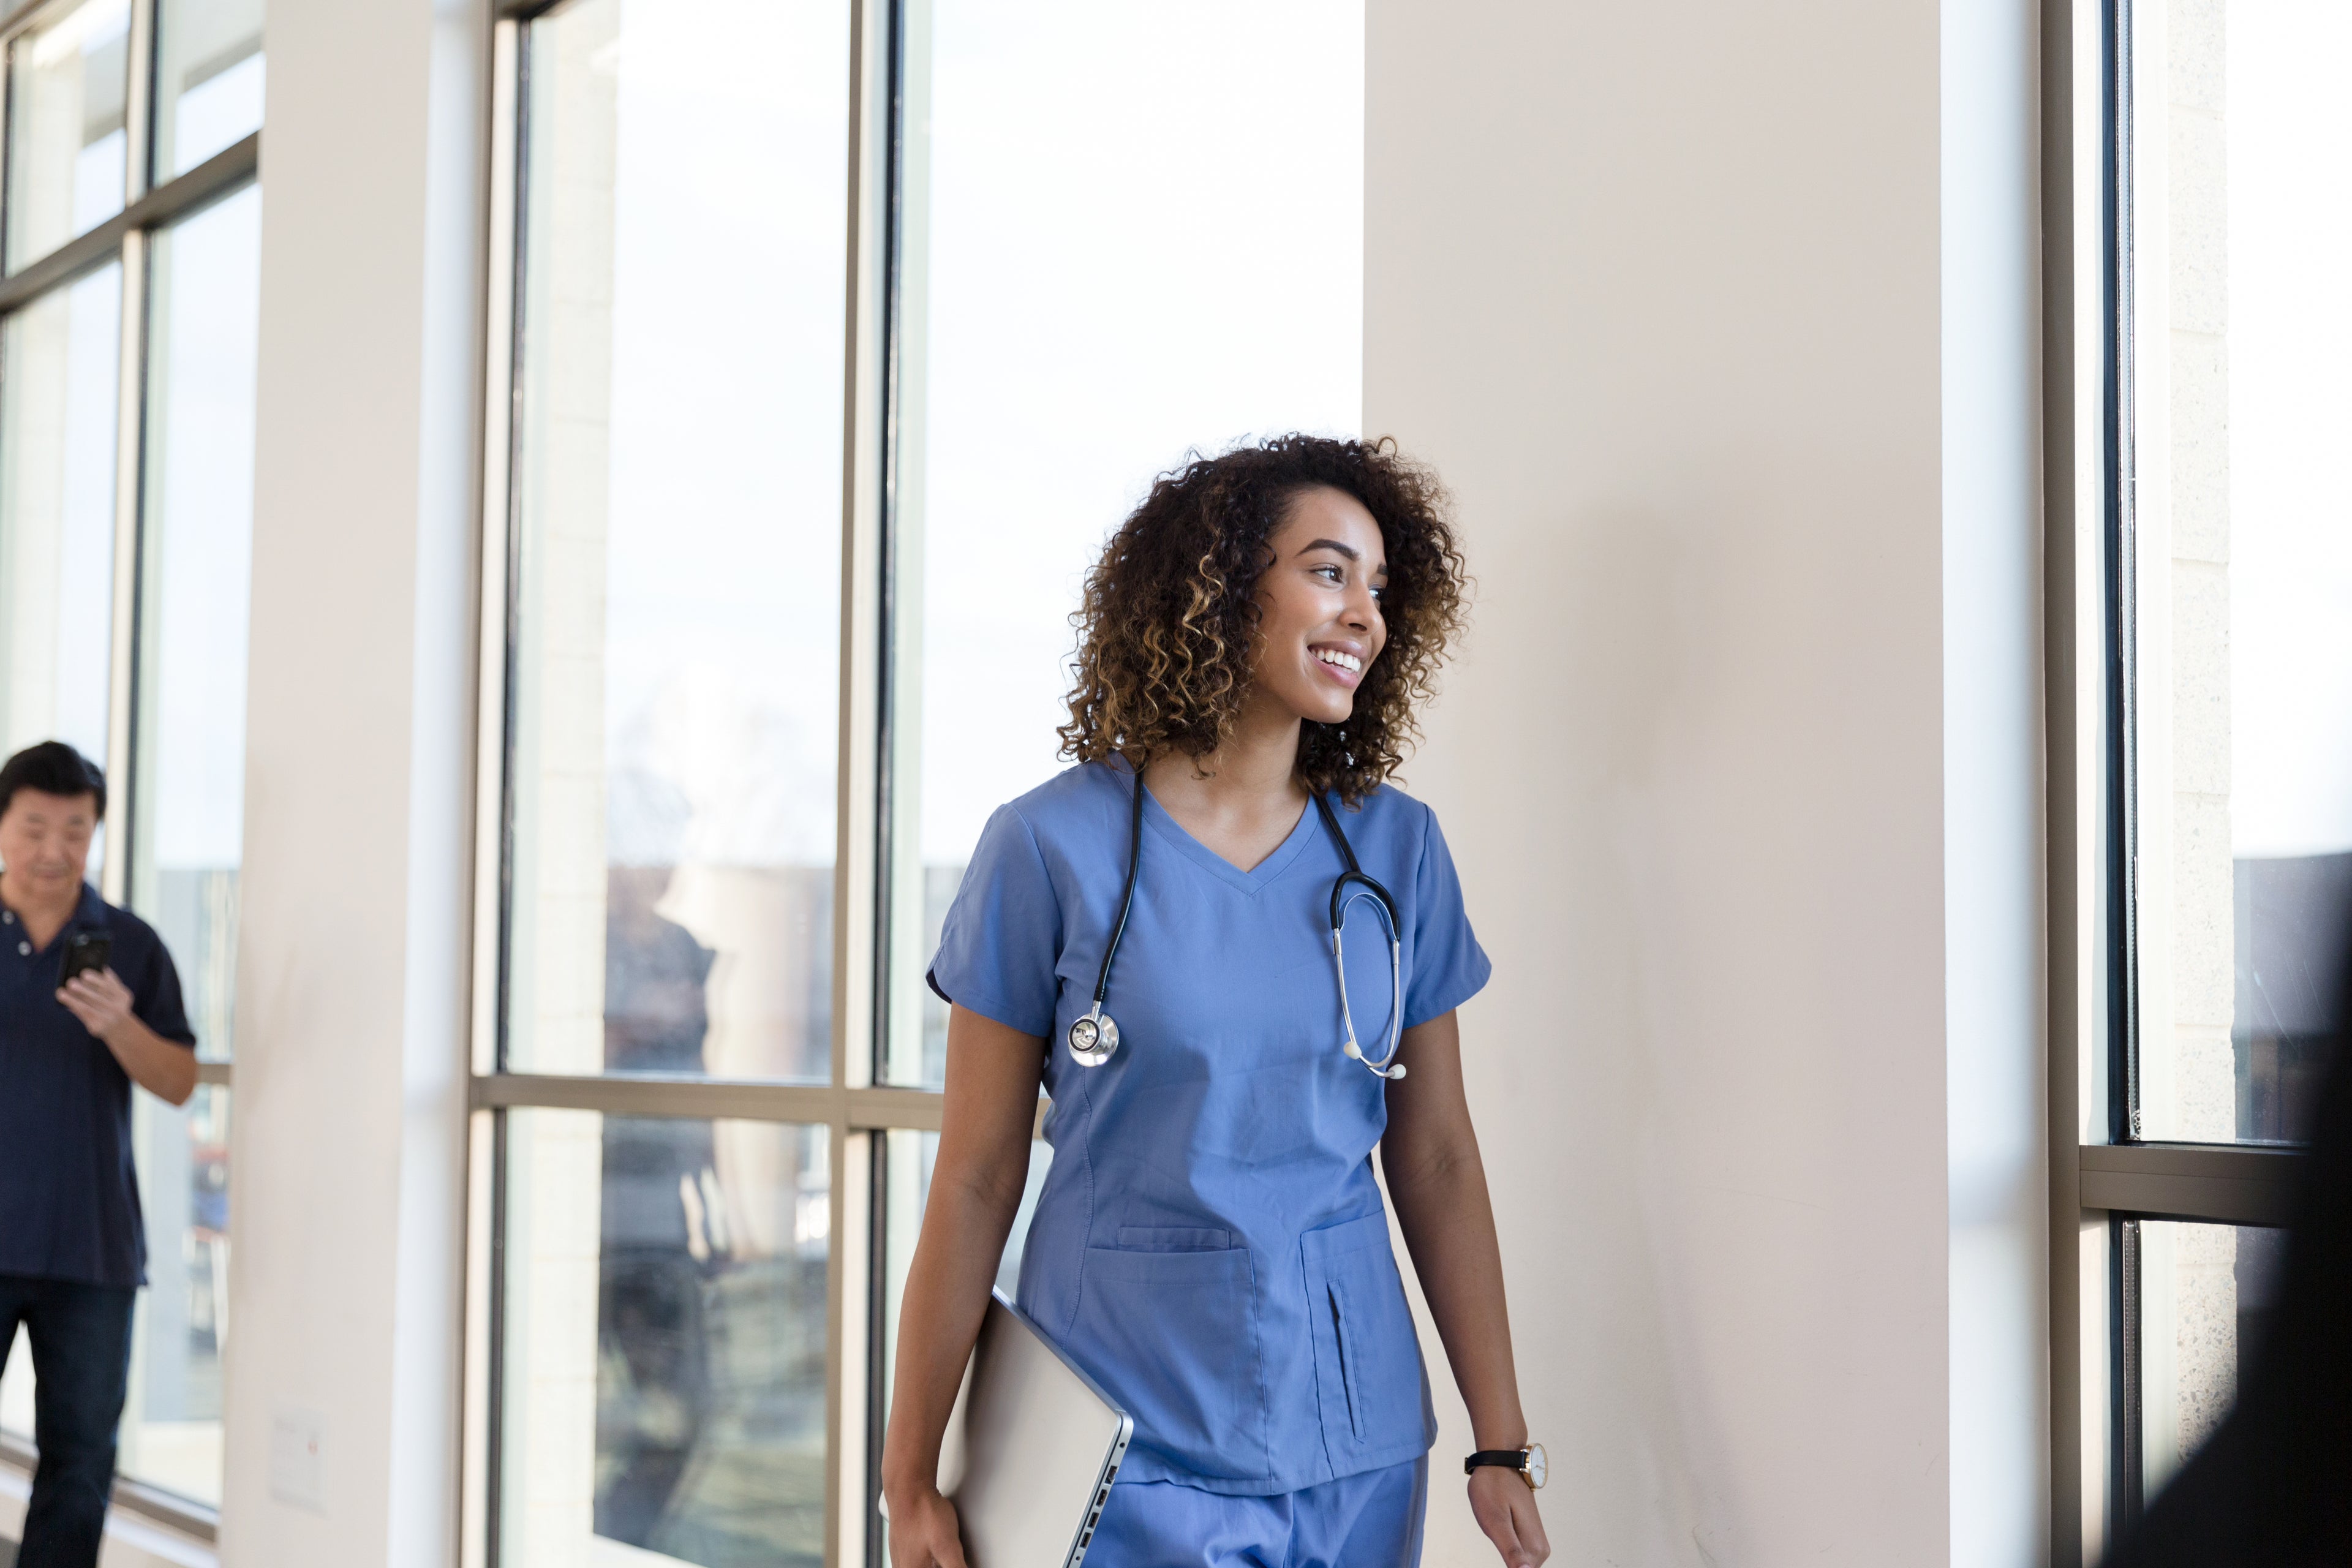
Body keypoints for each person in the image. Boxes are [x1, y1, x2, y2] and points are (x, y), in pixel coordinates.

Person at [882, 436, 1550, 1568]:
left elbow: (1435, 1155)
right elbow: (978, 1174)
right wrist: (908, 1478)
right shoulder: (1049, 847)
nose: (1365, 615)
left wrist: (1500, 1441)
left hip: (1354, 1437)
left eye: (1381, 589)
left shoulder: (1396, 848)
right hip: (1118, 1439)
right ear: (1221, 585)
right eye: (1329, 572)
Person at [0, 741, 198, 1568]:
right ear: (2, 828)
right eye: (34, 828)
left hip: (92, 1249)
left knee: (80, 1464)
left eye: (75, 830)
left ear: (96, 833)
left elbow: (180, 1081)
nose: (55, 850)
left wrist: (119, 1024)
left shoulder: (131, 945)